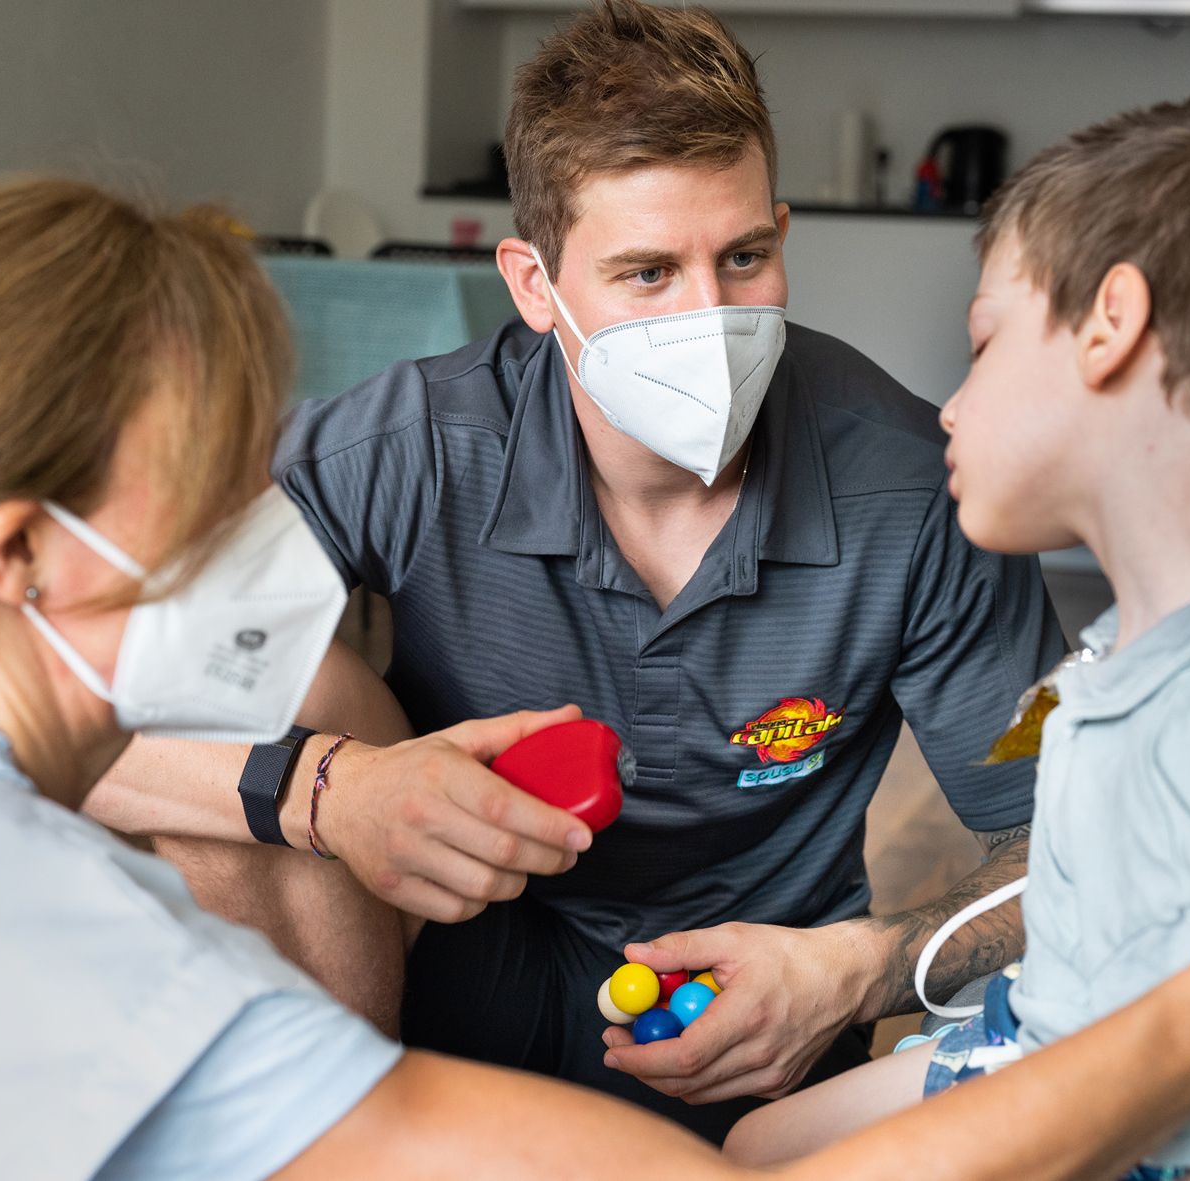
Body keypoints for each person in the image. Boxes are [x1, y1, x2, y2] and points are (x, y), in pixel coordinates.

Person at [86, 0, 1059, 1139]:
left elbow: (1071, 849)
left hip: (749, 1022)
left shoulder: (910, 492)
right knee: (270, 697)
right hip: (441, 977)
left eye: (742, 257)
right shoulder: (406, 448)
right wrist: (333, 790)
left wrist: (854, 969)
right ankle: (308, 1142)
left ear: (782, 234)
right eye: (646, 273)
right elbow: (56, 697)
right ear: (534, 285)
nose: (710, 317)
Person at [722, 98, 1190, 1180]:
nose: (950, 405)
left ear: (1109, 324)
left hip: (1160, 1125)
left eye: (982, 343)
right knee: (756, 1144)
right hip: (1057, 1032)